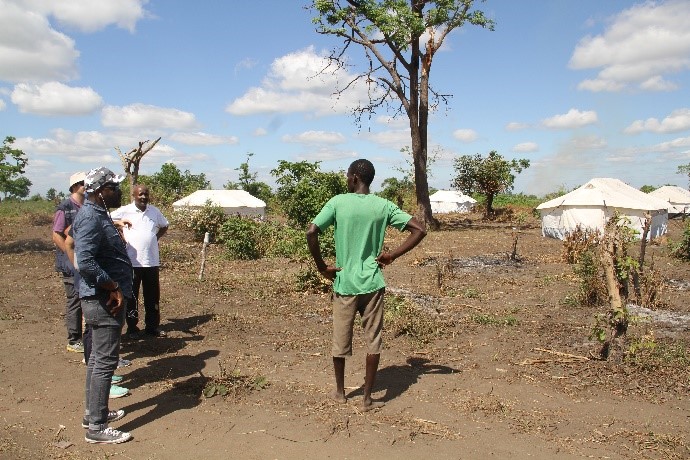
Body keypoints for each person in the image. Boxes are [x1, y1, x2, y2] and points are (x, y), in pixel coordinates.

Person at [306, 159, 426, 411]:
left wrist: (321, 266)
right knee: (373, 341)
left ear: (354, 178)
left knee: (340, 340)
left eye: (347, 176)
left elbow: (311, 231)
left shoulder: (338, 202)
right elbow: (419, 229)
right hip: (372, 284)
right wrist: (391, 255)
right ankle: (368, 398)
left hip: (345, 283)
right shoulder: (383, 206)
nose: (347, 180)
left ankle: (340, 392)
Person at [72, 166, 133, 444]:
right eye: (113, 187)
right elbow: (85, 261)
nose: (118, 191)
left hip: (104, 297)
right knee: (105, 362)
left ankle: (93, 414)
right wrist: (112, 286)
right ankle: (96, 427)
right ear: (99, 192)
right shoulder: (90, 218)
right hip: (103, 299)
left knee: (98, 359)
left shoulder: (99, 214)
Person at [111, 184, 169, 338]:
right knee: (132, 297)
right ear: (134, 195)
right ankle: (132, 328)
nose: (143, 197)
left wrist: (154, 237)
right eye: (140, 194)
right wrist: (119, 229)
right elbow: (105, 219)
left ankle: (152, 327)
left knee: (152, 296)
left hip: (151, 262)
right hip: (132, 262)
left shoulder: (154, 211)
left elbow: (165, 225)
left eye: (146, 194)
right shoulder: (125, 210)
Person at [52, 172, 86, 353]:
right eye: (81, 183)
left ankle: (86, 337)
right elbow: (57, 234)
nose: (85, 186)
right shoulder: (64, 207)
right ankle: (74, 339)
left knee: (86, 298)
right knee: (74, 300)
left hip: (85, 260)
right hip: (70, 262)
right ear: (74, 186)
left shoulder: (87, 205)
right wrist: (70, 255)